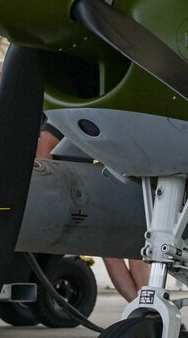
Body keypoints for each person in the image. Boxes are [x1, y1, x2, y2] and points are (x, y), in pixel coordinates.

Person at [36, 118, 150, 302]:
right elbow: (43, 155)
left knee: (130, 248)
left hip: (108, 187)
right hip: (86, 192)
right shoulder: (64, 116)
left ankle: (145, 307)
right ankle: (145, 307)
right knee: (121, 250)